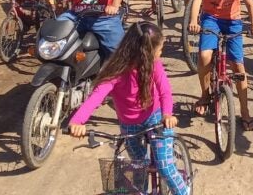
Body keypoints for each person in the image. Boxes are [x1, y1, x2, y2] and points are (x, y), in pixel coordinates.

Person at [68, 22, 189, 195]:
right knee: (138, 167)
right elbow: (96, 97)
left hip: (156, 118)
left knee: (165, 167)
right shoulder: (115, 71)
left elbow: (165, 92)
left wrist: (167, 114)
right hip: (129, 126)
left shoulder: (154, 66)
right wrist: (77, 121)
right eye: (160, 50)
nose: (161, 54)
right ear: (146, 52)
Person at [188, 0, 253, 130]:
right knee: (205, 55)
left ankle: (245, 112)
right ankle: (205, 95)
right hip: (210, 19)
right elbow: (197, 0)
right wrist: (193, 21)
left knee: (238, 67)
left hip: (233, 21)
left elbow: (250, 3)